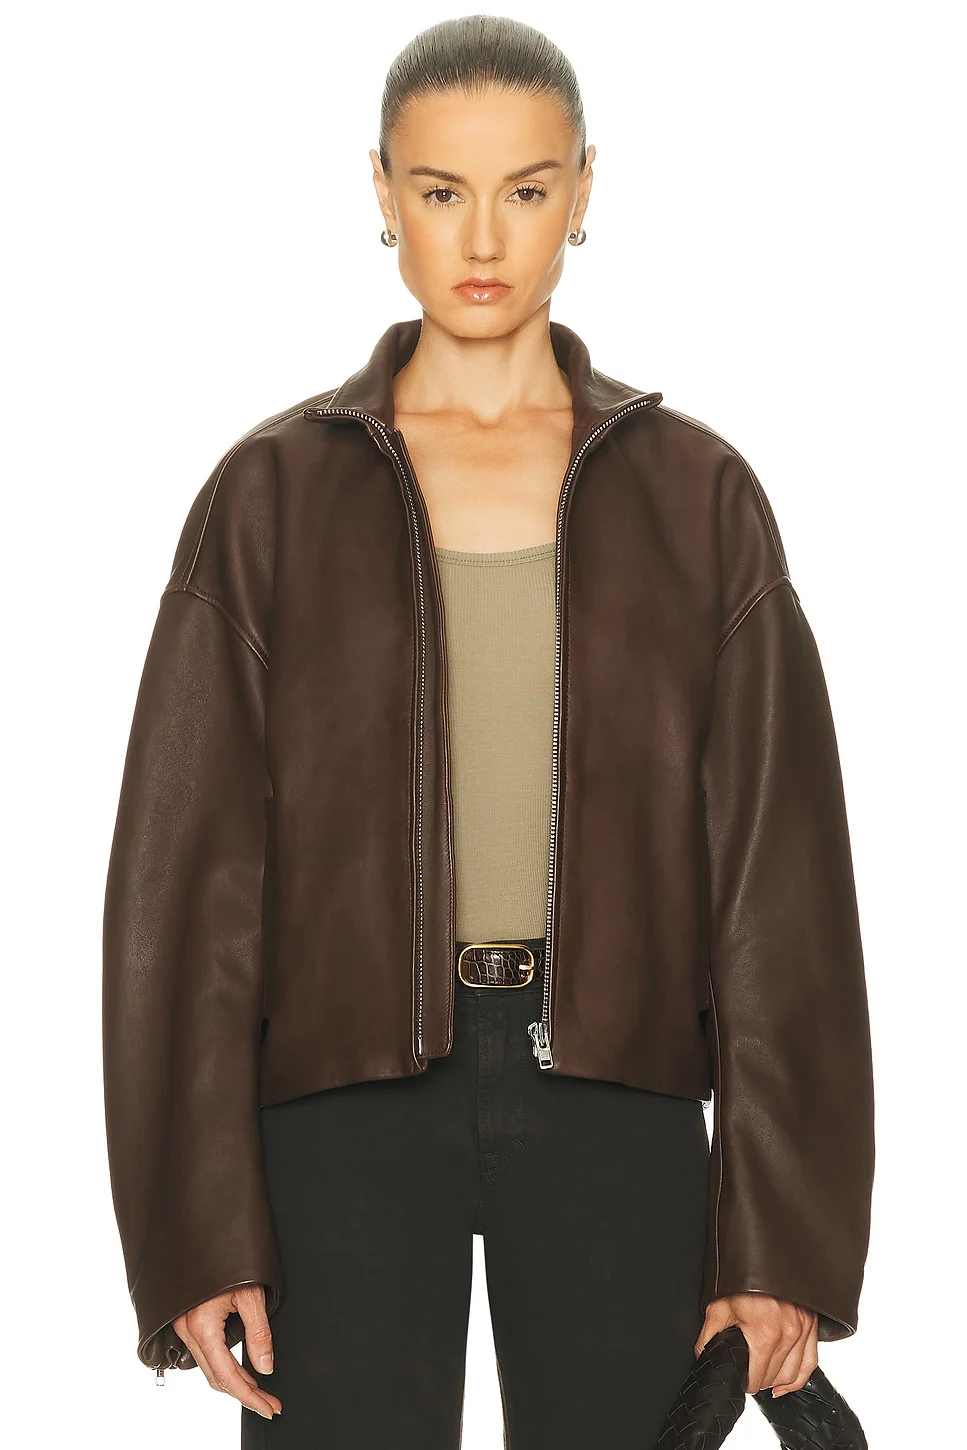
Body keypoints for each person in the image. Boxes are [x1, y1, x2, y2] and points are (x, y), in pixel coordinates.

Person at [101, 15, 875, 1448]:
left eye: (525, 188)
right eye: (440, 188)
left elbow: (780, 889)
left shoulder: (696, 497)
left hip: (615, 1094)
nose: (481, 236)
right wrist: (194, 1225)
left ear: (583, 190)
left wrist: (782, 1233)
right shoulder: (268, 499)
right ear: (381, 191)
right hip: (337, 1103)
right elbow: (187, 890)